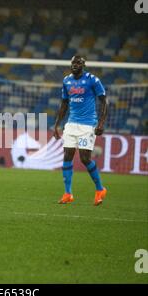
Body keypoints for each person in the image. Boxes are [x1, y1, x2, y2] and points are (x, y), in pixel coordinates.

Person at [54, 55, 108, 206]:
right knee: (67, 156)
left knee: (85, 158)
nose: (75, 65)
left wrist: (101, 123)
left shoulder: (92, 80)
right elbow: (64, 103)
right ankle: (68, 193)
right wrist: (57, 124)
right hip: (71, 124)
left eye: (78, 63)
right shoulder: (67, 81)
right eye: (73, 63)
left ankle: (100, 189)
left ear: (83, 65)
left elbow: (104, 101)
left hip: (88, 124)